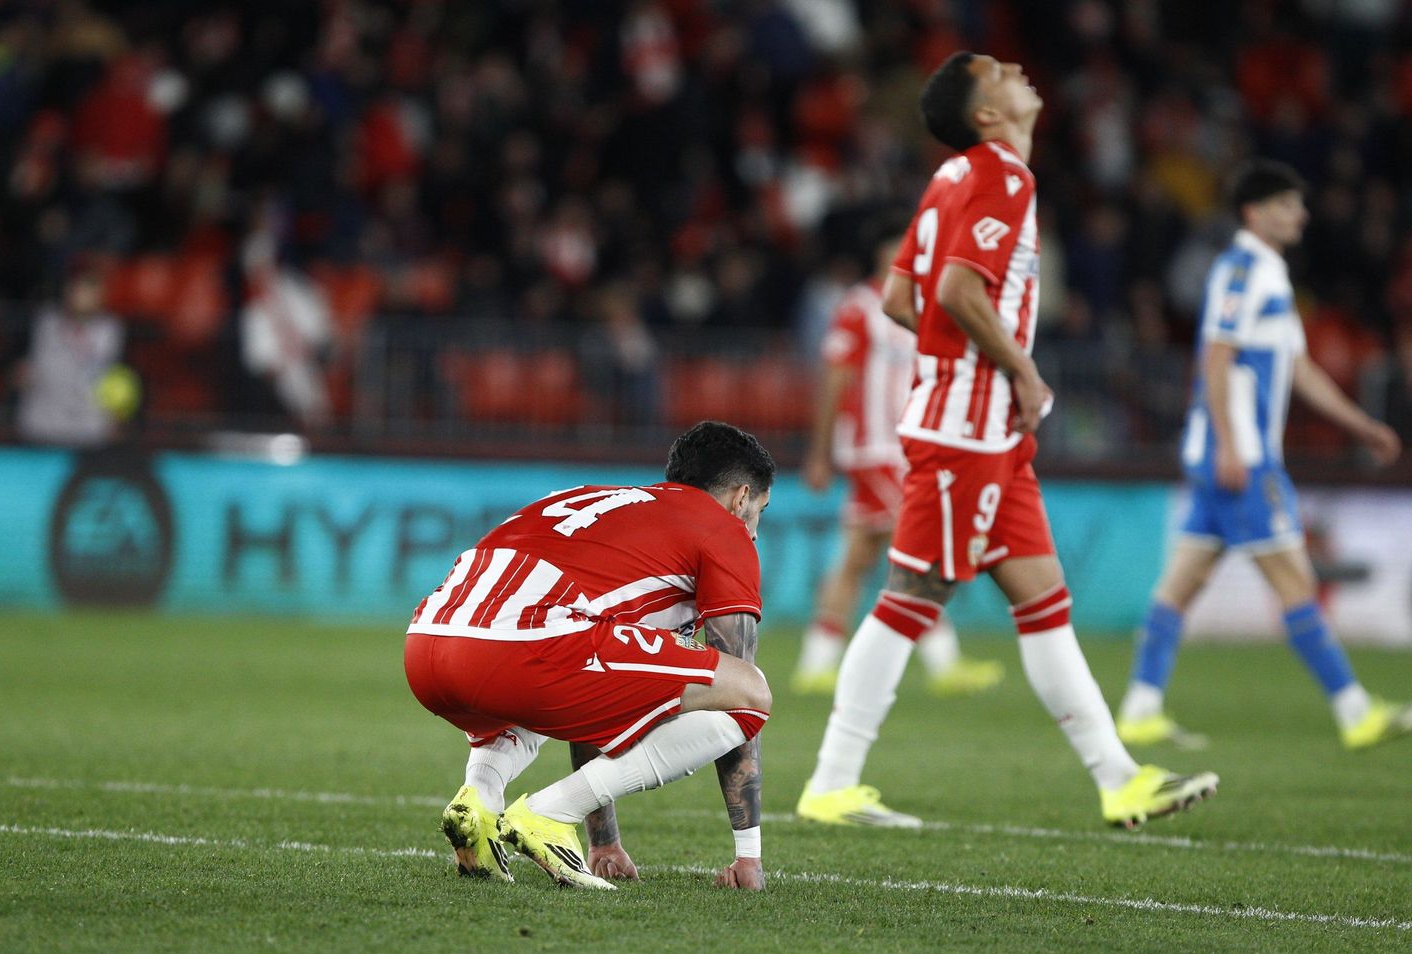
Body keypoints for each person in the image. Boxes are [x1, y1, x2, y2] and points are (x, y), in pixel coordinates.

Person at [799, 51, 1217, 830]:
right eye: (996, 71)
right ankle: (830, 781)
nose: (1020, 68)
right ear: (986, 113)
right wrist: (1018, 370)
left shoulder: (951, 178)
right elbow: (954, 292)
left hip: (983, 430)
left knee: (1045, 605)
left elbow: (900, 297)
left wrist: (962, 360)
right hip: (967, 431)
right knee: (910, 599)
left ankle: (1118, 778)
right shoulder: (1000, 177)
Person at [404, 421, 775, 890]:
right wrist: (748, 856)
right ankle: (550, 813)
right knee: (749, 690)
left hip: (427, 643)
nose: (755, 532)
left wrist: (604, 843)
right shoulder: (722, 528)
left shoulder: (595, 499)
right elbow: (736, 685)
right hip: (524, 650)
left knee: (566, 661)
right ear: (741, 498)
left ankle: (479, 799)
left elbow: (601, 695)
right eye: (760, 512)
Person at [1116, 160, 1409, 751]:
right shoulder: (1244, 270)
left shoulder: (1271, 273)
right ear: (1256, 212)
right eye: (1287, 204)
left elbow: (1297, 368)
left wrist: (1361, 424)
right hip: (1240, 456)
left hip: (1228, 451)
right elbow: (1216, 359)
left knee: (1182, 583)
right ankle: (1355, 711)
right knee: (1294, 579)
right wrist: (1230, 444)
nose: (1299, 214)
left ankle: (1140, 707)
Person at [792, 216, 1005, 705]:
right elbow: (834, 378)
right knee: (916, 546)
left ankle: (816, 661)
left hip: (903, 449)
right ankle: (944, 661)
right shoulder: (860, 308)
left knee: (858, 557)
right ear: (884, 256)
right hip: (875, 450)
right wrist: (821, 453)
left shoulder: (921, 307)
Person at [15, 266, 129, 446]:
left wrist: (114, 417)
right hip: (43, 422)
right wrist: (21, 375)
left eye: (91, 293)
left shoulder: (110, 330)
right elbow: (22, 368)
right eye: (79, 291)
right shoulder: (45, 323)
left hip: (89, 426)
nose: (84, 298)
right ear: (68, 292)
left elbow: (115, 377)